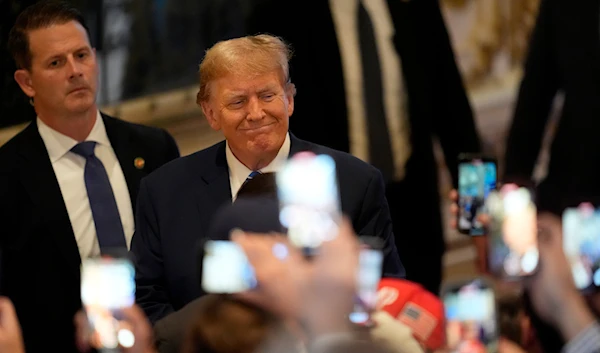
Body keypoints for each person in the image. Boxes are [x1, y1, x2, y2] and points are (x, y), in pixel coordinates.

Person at [131, 34, 405, 324]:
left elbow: (384, 292)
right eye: (237, 102)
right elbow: (147, 299)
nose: (256, 113)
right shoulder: (164, 192)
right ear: (211, 113)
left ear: (289, 99)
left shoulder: (354, 183)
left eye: (267, 95)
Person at [246, 0, 481, 294]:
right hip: (327, 229)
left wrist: (479, 216)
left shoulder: (414, 7)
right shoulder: (280, 13)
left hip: (413, 220)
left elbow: (454, 111)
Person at [0, 2, 180, 352]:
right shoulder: (7, 175)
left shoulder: (154, 148)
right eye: (56, 62)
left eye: (82, 55)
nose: (75, 70)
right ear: (26, 82)